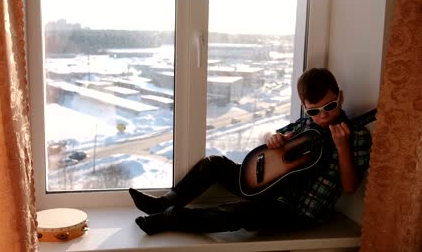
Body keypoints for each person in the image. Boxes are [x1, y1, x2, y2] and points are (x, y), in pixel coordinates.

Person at [128, 68, 372, 235]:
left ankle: (171, 218)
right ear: (304, 108)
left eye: (329, 106)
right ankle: (162, 203)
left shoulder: (357, 135)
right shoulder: (305, 125)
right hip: (268, 186)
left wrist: (342, 148)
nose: (323, 115)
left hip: (297, 211)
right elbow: (268, 136)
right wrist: (271, 137)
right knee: (214, 163)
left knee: (237, 214)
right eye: (314, 111)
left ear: (340, 97)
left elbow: (350, 187)